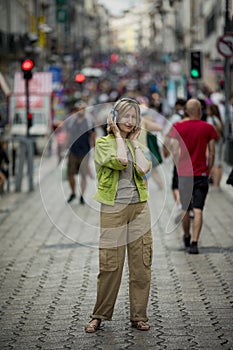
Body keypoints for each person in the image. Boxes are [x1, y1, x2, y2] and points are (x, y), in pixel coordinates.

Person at [85, 98, 152, 333]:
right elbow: (121, 161)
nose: (130, 121)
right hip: (114, 209)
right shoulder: (104, 144)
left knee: (141, 263)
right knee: (110, 264)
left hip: (139, 207)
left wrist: (132, 142)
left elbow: (143, 168)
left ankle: (138, 316)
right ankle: (99, 315)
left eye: (134, 117)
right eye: (125, 116)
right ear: (114, 118)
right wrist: (120, 138)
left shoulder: (137, 144)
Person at [169, 99, 218, 254]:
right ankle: (195, 243)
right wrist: (208, 170)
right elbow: (211, 153)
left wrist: (178, 167)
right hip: (201, 174)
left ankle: (187, 235)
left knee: (185, 208)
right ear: (200, 111)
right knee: (198, 209)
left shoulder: (178, 127)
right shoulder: (208, 128)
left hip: (184, 174)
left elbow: (175, 151)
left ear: (186, 111)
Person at [65, 102, 96, 204]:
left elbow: (93, 135)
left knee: (83, 175)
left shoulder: (89, 121)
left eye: (82, 109)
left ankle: (82, 196)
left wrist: (94, 148)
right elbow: (68, 134)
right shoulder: (71, 122)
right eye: (78, 109)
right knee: (70, 174)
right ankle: (73, 193)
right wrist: (65, 147)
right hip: (73, 151)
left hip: (85, 151)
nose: (80, 111)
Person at [163, 98, 187, 221]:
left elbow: (169, 136)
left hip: (180, 159)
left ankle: (181, 206)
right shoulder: (194, 122)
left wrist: (166, 150)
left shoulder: (176, 121)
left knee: (176, 185)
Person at [206, 103, 224, 188]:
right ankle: (218, 183)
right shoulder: (218, 119)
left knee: (214, 162)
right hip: (219, 141)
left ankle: (215, 184)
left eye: (208, 110)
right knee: (219, 163)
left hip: (214, 141)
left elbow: (209, 130)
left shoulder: (210, 119)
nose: (206, 111)